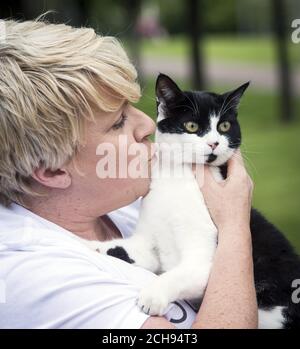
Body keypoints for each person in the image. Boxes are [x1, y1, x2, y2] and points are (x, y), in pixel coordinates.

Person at [0, 17, 257, 329]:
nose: (148, 124)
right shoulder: (41, 277)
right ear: (53, 170)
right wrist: (234, 226)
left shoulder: (118, 195)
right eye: (118, 122)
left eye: (131, 106)